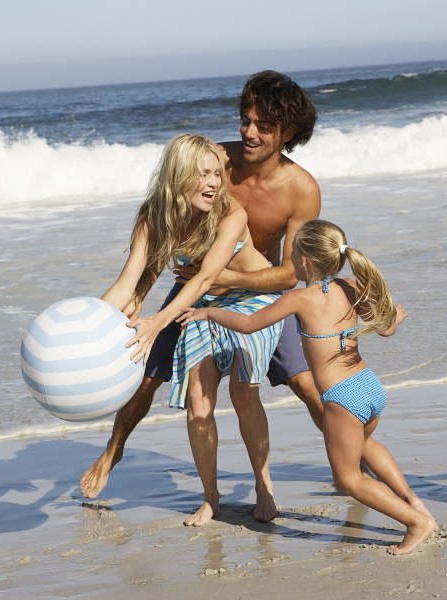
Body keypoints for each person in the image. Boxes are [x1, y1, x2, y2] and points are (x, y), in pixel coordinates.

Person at [80, 71, 323, 524]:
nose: (248, 132)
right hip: (197, 283)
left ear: (287, 132)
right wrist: (136, 296)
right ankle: (113, 451)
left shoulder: (300, 189)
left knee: (307, 384)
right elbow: (167, 224)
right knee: (149, 377)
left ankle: (348, 460)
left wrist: (226, 276)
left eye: (262, 125)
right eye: (245, 120)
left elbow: (291, 273)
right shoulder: (216, 161)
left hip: (257, 290)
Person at [177, 219, 438, 554]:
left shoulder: (300, 298)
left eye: (294, 253)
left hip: (342, 397)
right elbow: (385, 328)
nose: (291, 261)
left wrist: (210, 313)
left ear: (307, 262)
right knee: (366, 445)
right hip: (368, 385)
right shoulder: (349, 285)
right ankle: (413, 500)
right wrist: (396, 320)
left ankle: (416, 522)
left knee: (348, 479)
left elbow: (247, 324)